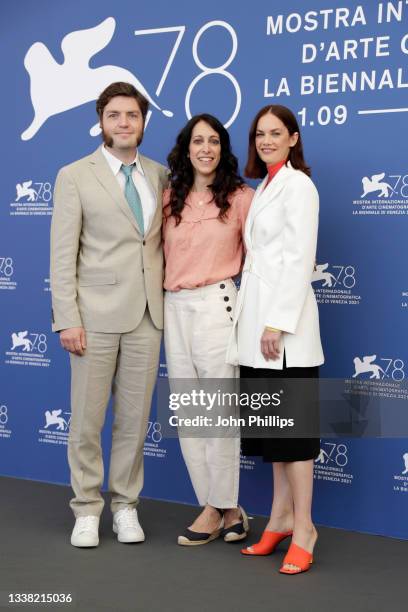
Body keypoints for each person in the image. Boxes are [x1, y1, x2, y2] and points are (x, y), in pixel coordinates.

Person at [50, 82, 168, 548]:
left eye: (132, 115)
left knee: (134, 421)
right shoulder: (74, 175)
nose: (124, 123)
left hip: (147, 315)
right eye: (115, 115)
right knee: (86, 419)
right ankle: (86, 508)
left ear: (142, 123)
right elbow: (63, 255)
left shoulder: (159, 175)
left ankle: (125, 506)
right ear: (101, 121)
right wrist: (67, 317)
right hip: (92, 316)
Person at [227, 105, 324, 574]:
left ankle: (304, 526)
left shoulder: (299, 185)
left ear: (293, 137)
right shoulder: (264, 185)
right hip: (257, 328)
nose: (266, 140)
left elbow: (300, 257)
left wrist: (277, 323)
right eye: (259, 133)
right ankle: (280, 517)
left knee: (295, 436)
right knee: (273, 433)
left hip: (283, 331)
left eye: (275, 133)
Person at [163, 114, 254, 545]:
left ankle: (215, 510)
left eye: (213, 141)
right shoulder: (168, 198)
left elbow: (258, 262)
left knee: (218, 414)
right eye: (197, 141)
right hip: (174, 308)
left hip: (217, 305)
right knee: (189, 415)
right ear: (185, 148)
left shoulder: (240, 197)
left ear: (223, 148)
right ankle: (224, 507)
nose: (205, 148)